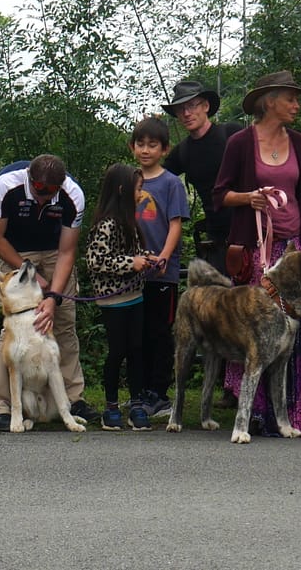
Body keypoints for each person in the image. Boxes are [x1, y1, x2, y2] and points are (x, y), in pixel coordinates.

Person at [211, 70, 301, 436]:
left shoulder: (297, 142)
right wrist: (247, 198)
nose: (297, 105)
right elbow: (219, 196)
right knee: (260, 335)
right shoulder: (239, 143)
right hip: (259, 253)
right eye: (290, 98)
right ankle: (258, 414)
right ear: (269, 101)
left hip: (295, 252)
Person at [0, 154, 99, 430]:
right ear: (29, 179)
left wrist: (53, 296)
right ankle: (0, 405)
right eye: (38, 191)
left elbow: (68, 250)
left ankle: (73, 399)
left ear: (60, 186)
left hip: (55, 252)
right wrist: (28, 271)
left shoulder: (73, 194)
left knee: (62, 323)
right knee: (13, 328)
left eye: (50, 194)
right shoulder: (6, 185)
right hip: (15, 252)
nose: (43, 198)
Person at [86, 163, 158, 431]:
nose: (140, 194)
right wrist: (132, 263)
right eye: (138, 189)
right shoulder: (106, 224)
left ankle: (136, 404)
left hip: (135, 296)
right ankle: (111, 406)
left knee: (136, 351)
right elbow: (96, 260)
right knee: (117, 352)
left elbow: (135, 254)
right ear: (121, 190)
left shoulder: (130, 222)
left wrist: (148, 260)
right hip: (112, 300)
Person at [129, 116, 188, 421]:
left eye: (153, 145)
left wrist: (164, 256)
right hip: (132, 274)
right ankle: (138, 393)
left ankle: (160, 394)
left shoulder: (171, 183)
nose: (146, 150)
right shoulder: (129, 181)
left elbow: (176, 223)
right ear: (132, 147)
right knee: (135, 335)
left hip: (163, 273)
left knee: (159, 333)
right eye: (141, 144)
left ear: (165, 149)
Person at [161, 80, 244, 267]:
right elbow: (157, 179)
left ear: (206, 106)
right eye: (180, 109)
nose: (186, 113)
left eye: (191, 105)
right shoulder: (182, 152)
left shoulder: (232, 134)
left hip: (251, 232)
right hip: (217, 240)